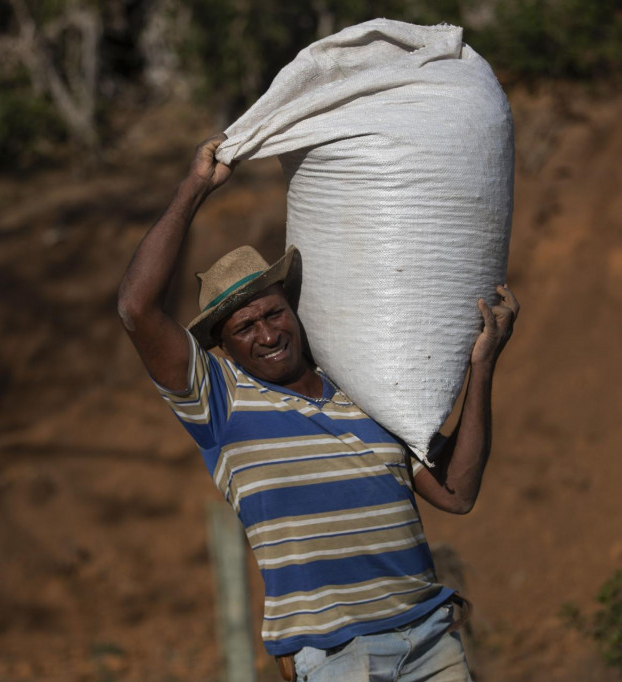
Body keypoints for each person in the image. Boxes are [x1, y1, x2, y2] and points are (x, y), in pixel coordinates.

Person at [117, 133, 519, 682]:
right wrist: (194, 188)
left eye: (273, 312)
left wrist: (483, 364)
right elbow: (136, 309)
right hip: (337, 660)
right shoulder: (221, 400)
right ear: (222, 345)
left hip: (429, 640)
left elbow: (458, 492)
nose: (266, 333)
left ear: (293, 309)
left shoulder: (366, 385)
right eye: (244, 326)